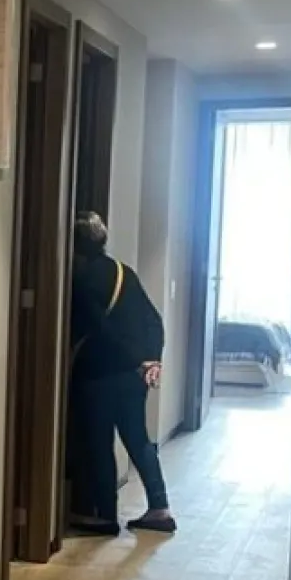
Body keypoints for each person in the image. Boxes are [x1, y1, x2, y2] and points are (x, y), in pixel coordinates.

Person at [68, 212, 177, 536]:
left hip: (99, 373)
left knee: (99, 443)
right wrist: (150, 360)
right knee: (138, 439)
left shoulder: (81, 280)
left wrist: (134, 360)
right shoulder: (123, 272)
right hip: (134, 376)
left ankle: (104, 515)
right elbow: (154, 321)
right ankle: (159, 508)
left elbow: (100, 329)